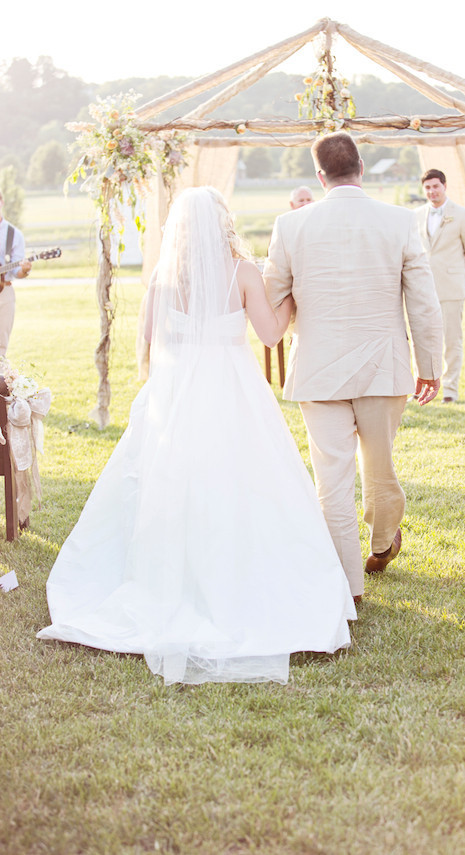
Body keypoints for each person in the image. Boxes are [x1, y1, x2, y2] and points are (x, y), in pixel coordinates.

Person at [38, 187, 356, 686]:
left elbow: (149, 338)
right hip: (233, 390)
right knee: (246, 479)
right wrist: (293, 299)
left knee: (176, 481)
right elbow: (270, 334)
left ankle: (176, 577)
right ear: (222, 222)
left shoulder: (163, 276)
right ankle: (239, 576)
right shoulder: (242, 272)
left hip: (177, 391)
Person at [264, 132, 443, 602]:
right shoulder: (400, 221)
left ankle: (348, 588)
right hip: (383, 366)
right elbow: (424, 303)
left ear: (320, 176)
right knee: (379, 468)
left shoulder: (289, 225)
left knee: (332, 481)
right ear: (361, 167)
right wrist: (429, 366)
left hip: (317, 368)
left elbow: (272, 295)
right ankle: (382, 542)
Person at [416, 169, 465, 403]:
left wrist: (458, 276)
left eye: (436, 186)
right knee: (421, 339)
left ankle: (450, 389)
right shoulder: (416, 215)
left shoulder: (462, 215)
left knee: (452, 341)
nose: (432, 191)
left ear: (444, 186)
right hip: (422, 289)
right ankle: (420, 386)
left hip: (451, 288)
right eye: (427, 187)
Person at [0, 190, 32, 356]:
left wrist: (24, 270)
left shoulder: (13, 234)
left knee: (1, 345)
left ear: (2, 202)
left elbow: (16, 271)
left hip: (3, 292)